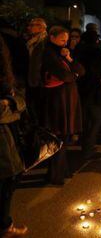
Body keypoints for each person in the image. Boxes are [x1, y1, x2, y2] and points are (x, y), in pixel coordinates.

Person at [40, 26, 85, 185]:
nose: (65, 43)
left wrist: (70, 59)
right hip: (58, 101)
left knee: (64, 137)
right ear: (52, 37)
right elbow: (65, 75)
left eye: (66, 40)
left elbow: (80, 70)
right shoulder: (49, 54)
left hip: (67, 99)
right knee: (59, 137)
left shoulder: (62, 54)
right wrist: (74, 75)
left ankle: (61, 171)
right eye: (62, 40)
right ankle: (55, 175)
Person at [0, 33, 28, 238]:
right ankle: (4, 226)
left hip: (6, 126)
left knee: (10, 175)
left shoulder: (5, 72)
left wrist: (10, 100)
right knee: (9, 176)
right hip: (2, 129)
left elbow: (17, 96)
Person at [76, 30, 101, 159]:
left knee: (86, 119)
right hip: (93, 89)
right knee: (96, 119)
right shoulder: (97, 51)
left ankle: (85, 145)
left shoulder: (78, 50)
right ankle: (88, 148)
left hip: (80, 88)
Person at [26, 17, 48, 124]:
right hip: (33, 80)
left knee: (39, 109)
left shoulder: (44, 42)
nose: (29, 27)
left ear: (41, 28)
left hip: (40, 81)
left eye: (32, 25)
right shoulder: (32, 41)